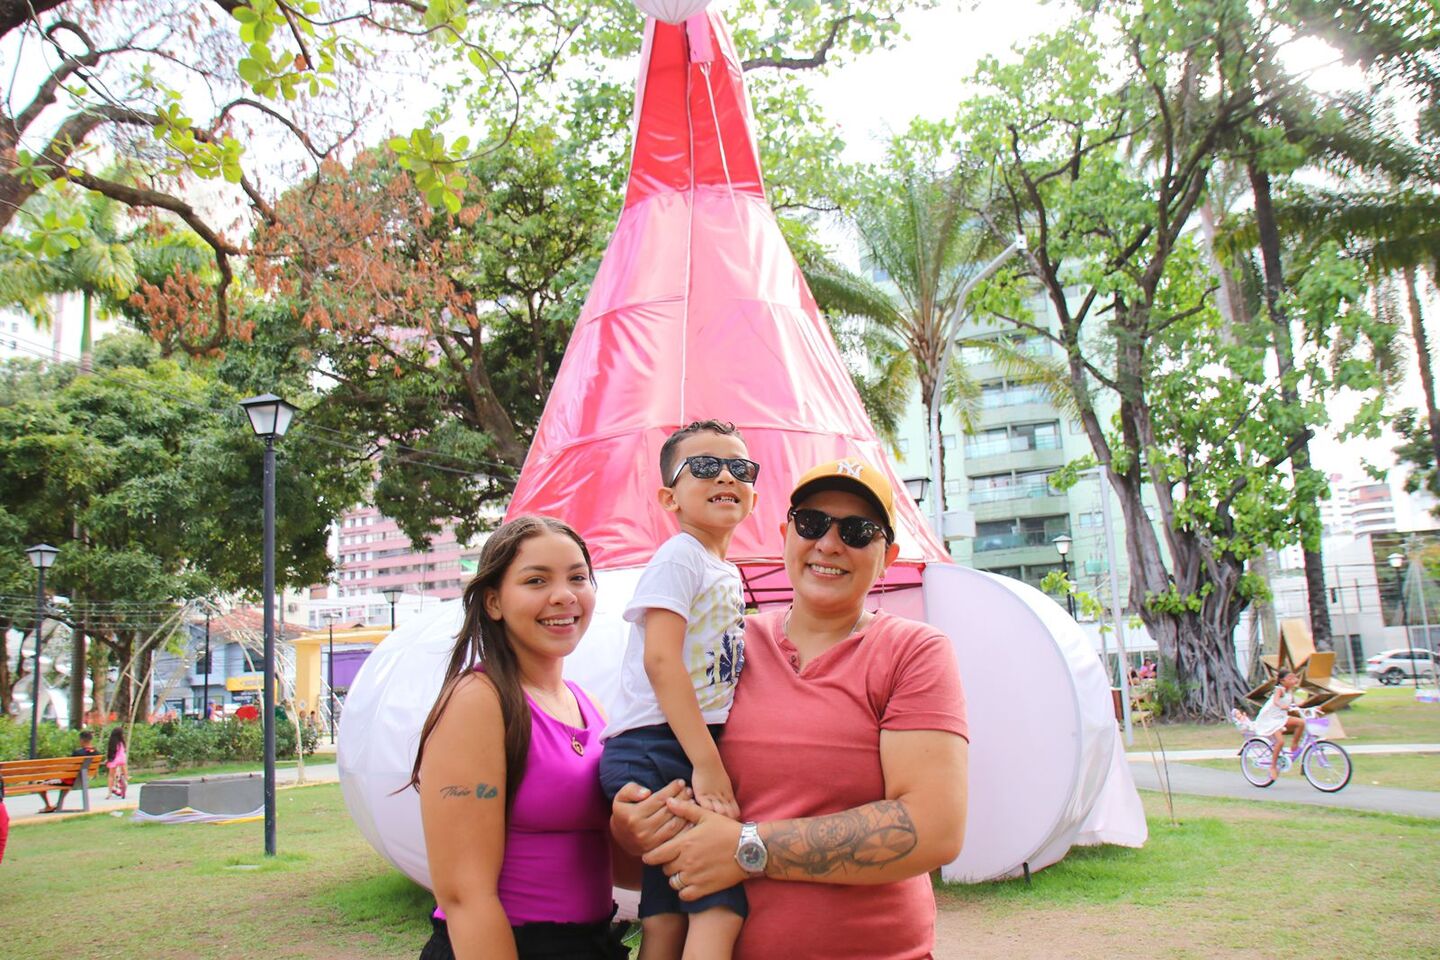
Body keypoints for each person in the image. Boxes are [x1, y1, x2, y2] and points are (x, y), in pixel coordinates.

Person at [612, 458, 969, 960]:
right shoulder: (722, 646)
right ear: (785, 534)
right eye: (812, 523)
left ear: (887, 555)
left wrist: (747, 849)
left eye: (858, 531)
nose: (828, 544)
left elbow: (933, 829)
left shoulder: (914, 652)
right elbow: (652, 854)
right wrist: (631, 835)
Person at [407, 515, 629, 960]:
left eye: (577, 577)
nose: (563, 595)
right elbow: (465, 897)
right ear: (493, 602)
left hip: (590, 943)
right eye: (536, 580)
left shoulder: (587, 704)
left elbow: (625, 870)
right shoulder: (478, 702)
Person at [598, 420, 758, 960]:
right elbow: (662, 659)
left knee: (669, 906)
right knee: (718, 896)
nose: (726, 476)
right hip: (657, 745)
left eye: (740, 468)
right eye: (707, 467)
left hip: (677, 742)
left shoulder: (723, 569)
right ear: (670, 496)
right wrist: (707, 763)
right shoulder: (680, 556)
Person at [1254, 668, 1305, 781]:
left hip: (1281, 718)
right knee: (1280, 742)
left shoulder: (1290, 692)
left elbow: (1295, 705)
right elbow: (1276, 701)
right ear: (1282, 681)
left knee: (1301, 723)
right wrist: (1281, 706)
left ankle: (1294, 746)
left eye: (1294, 677)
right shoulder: (1280, 690)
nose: (1293, 680)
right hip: (1271, 719)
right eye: (1290, 678)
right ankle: (1272, 767)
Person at [38, 729, 100, 813]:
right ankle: (58, 805)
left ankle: (48, 806)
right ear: (90, 739)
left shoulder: (78, 752)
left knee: (40, 784)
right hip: (83, 780)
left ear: (81, 740)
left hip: (70, 780)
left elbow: (69, 768)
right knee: (67, 781)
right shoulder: (97, 753)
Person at [106, 727, 129, 799]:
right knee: (124, 770)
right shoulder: (122, 742)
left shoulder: (112, 742)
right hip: (122, 759)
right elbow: (123, 751)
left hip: (114, 760)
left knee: (111, 776)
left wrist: (108, 759)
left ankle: (109, 792)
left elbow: (111, 752)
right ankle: (126, 778)